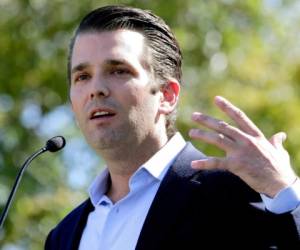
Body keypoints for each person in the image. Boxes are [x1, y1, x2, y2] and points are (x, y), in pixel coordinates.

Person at [45, 5, 300, 250]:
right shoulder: (62, 235)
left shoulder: (237, 192)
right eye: (82, 77)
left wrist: (284, 189)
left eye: (119, 71)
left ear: (167, 95)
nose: (96, 89)